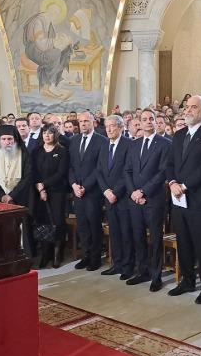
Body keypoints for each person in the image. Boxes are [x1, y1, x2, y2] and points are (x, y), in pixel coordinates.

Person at [166, 95, 201, 304]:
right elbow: (169, 163)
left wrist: (184, 185)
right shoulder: (179, 135)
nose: (187, 110)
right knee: (183, 243)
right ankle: (187, 281)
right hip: (178, 199)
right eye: (187, 107)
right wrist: (172, 182)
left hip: (200, 200)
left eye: (193, 107)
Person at [124, 109, 170, 291]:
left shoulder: (164, 144)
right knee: (138, 236)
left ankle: (156, 275)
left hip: (154, 199)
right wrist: (133, 193)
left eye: (151, 119)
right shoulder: (134, 144)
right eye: (144, 119)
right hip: (134, 200)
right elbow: (127, 171)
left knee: (155, 239)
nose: (148, 122)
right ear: (140, 123)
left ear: (156, 122)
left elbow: (162, 172)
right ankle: (143, 270)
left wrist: (143, 191)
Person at [0, 125, 34, 255]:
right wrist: (2, 195)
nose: (7, 142)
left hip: (20, 198)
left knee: (22, 229)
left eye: (10, 139)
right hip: (0, 200)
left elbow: (28, 177)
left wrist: (12, 195)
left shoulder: (24, 155)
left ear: (15, 139)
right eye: (4, 139)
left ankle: (24, 256)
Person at [96, 115, 134, 277]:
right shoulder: (105, 145)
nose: (109, 129)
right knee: (115, 233)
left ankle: (128, 266)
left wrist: (115, 192)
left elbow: (128, 172)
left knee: (126, 233)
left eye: (112, 126)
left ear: (120, 127)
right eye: (107, 126)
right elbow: (99, 171)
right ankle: (116, 264)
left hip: (123, 197)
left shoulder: (129, 145)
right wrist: (105, 191)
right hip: (108, 197)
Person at [69, 111, 105, 271]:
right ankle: (86, 256)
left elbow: (100, 168)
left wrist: (86, 186)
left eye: (86, 121)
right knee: (82, 225)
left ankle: (95, 258)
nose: (83, 124)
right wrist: (74, 185)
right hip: (77, 192)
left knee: (94, 225)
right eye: (81, 121)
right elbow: (70, 166)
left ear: (93, 122)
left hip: (93, 192)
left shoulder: (101, 141)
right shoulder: (74, 140)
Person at [32, 124, 69, 268]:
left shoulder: (61, 151)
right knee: (43, 222)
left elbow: (61, 173)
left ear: (55, 135)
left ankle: (57, 254)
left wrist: (44, 185)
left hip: (57, 191)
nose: (47, 136)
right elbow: (33, 171)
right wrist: (40, 188)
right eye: (44, 133)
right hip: (39, 191)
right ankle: (45, 254)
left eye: (50, 133)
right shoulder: (36, 151)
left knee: (57, 221)